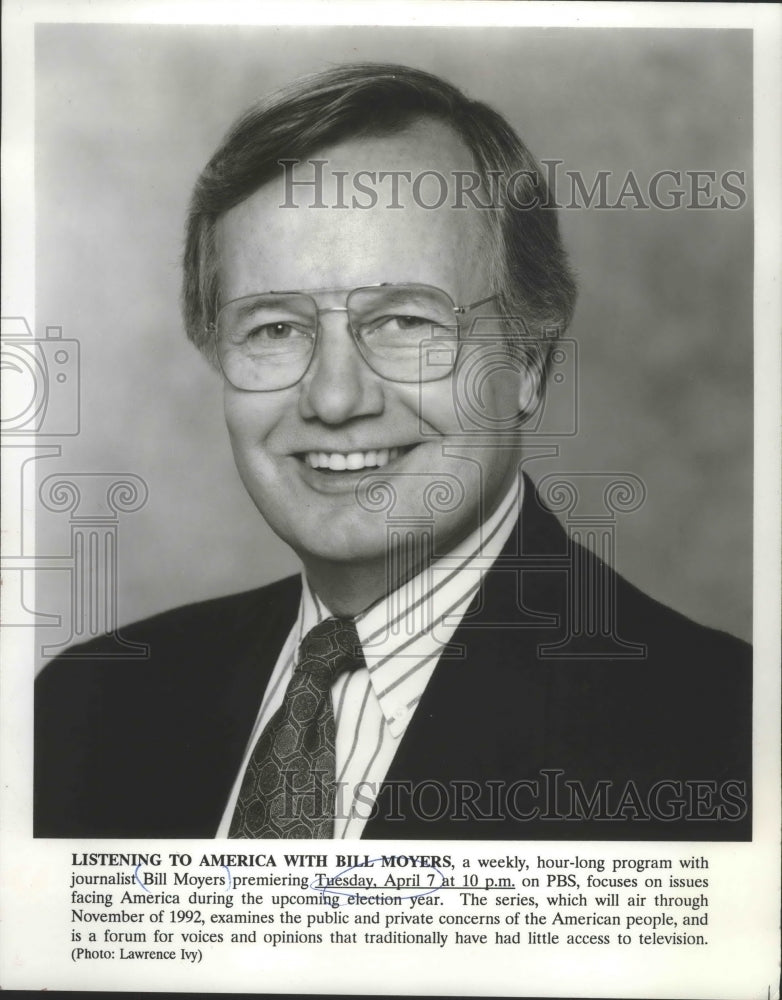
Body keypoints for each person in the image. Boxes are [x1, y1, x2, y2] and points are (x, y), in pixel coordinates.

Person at [34, 63, 751, 840]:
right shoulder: (87, 707)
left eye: (406, 322)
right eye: (275, 328)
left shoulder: (722, 735)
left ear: (531, 362)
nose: (336, 399)